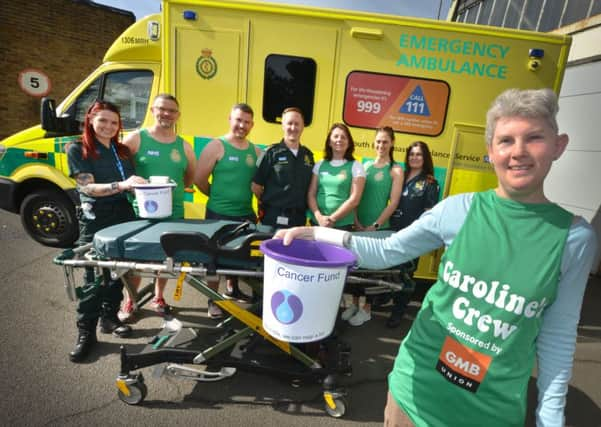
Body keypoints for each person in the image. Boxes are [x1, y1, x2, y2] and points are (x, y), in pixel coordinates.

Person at [275, 88, 598, 427]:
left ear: (558, 145)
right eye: (505, 141)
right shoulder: (459, 209)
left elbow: (557, 335)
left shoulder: (573, 239)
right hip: (413, 397)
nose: (518, 152)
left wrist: (550, 418)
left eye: (534, 138)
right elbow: (387, 251)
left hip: (490, 414)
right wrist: (315, 233)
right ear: (490, 151)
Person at [66, 100, 146, 363]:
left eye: (114, 122)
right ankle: (86, 333)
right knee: (93, 278)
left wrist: (145, 187)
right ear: (90, 120)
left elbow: (129, 185)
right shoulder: (77, 149)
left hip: (123, 216)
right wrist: (122, 184)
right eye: (103, 120)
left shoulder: (121, 151)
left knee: (116, 271)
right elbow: (87, 188)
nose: (108, 126)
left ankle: (109, 318)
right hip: (96, 219)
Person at [118, 94, 196, 322]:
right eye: (162, 109)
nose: (166, 114)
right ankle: (130, 299)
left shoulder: (184, 146)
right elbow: (122, 171)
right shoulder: (137, 139)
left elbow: (189, 178)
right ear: (153, 110)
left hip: (174, 213)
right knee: (136, 261)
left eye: (172, 110)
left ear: (178, 115)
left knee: (166, 259)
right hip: (142, 214)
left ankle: (158, 297)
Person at [194, 103, 262, 319]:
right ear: (230, 119)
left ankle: (232, 289)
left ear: (252, 125)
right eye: (238, 120)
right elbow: (199, 179)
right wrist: (216, 197)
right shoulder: (216, 146)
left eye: (247, 122)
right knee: (213, 260)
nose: (242, 125)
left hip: (245, 214)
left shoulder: (256, 151)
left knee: (241, 257)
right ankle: (213, 301)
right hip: (218, 215)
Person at [344, 127, 404, 326]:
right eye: (378, 141)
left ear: (392, 143)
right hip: (358, 225)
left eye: (385, 142)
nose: (380, 146)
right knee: (354, 268)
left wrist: (375, 225)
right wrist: (356, 220)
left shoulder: (395, 170)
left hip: (377, 229)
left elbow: (393, 202)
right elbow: (356, 196)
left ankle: (366, 310)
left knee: (370, 273)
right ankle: (353, 304)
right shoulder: (366, 166)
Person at [386, 140, 440, 328]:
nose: (414, 157)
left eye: (418, 154)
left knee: (405, 275)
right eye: (411, 154)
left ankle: (398, 312)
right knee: (390, 270)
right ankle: (387, 303)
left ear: (425, 158)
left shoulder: (430, 183)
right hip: (393, 231)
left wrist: (415, 235)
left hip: (412, 237)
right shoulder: (401, 175)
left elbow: (429, 215)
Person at [252, 107, 315, 228]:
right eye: (289, 123)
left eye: (297, 124)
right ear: (283, 125)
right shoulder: (270, 153)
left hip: (298, 219)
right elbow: (256, 186)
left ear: (302, 127)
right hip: (273, 218)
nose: (293, 128)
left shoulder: (308, 155)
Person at [307, 123, 365, 230]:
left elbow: (354, 199)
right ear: (329, 142)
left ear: (349, 143)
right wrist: (319, 217)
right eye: (336, 136)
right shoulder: (320, 164)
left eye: (344, 137)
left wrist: (332, 219)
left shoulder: (356, 166)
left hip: (342, 226)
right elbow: (311, 193)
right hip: (317, 222)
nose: (339, 140)